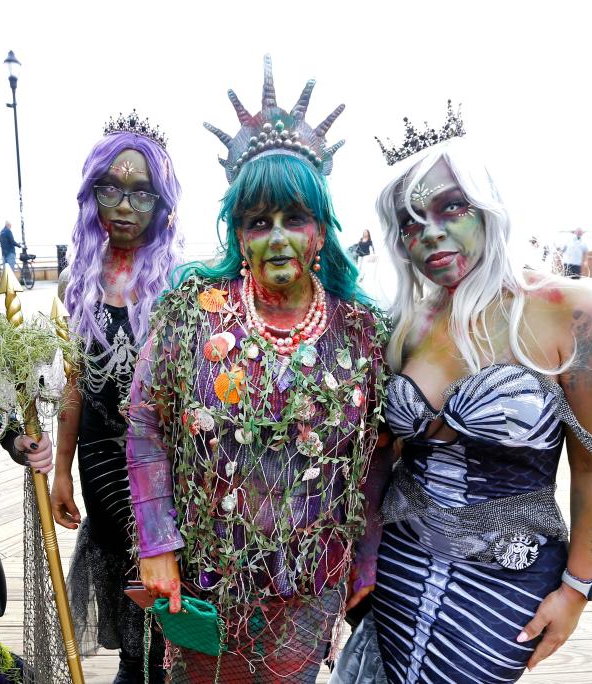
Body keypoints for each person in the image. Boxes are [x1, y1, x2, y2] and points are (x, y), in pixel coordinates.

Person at [333, 104, 592, 683]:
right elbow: (380, 459)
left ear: (487, 207)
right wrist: (361, 561)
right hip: (400, 562)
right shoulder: (405, 325)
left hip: (509, 580)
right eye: (411, 222)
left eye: (451, 206)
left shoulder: (572, 314)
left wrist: (576, 588)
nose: (430, 232)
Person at [126, 56, 392, 683]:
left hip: (311, 580)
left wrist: (367, 558)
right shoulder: (190, 312)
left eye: (294, 218)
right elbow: (144, 427)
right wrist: (157, 543)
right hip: (206, 577)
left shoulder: (363, 331)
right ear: (239, 236)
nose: (277, 238)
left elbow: (379, 453)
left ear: (322, 231)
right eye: (258, 221)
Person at [54, 112, 183, 684]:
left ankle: (165, 662)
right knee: (120, 555)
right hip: (99, 455)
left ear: (161, 203)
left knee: (163, 556)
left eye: (141, 193)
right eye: (111, 190)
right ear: (92, 195)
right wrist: (60, 468)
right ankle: (135, 663)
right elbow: (75, 383)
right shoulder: (76, 281)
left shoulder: (179, 281)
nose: (125, 207)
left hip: (162, 458)